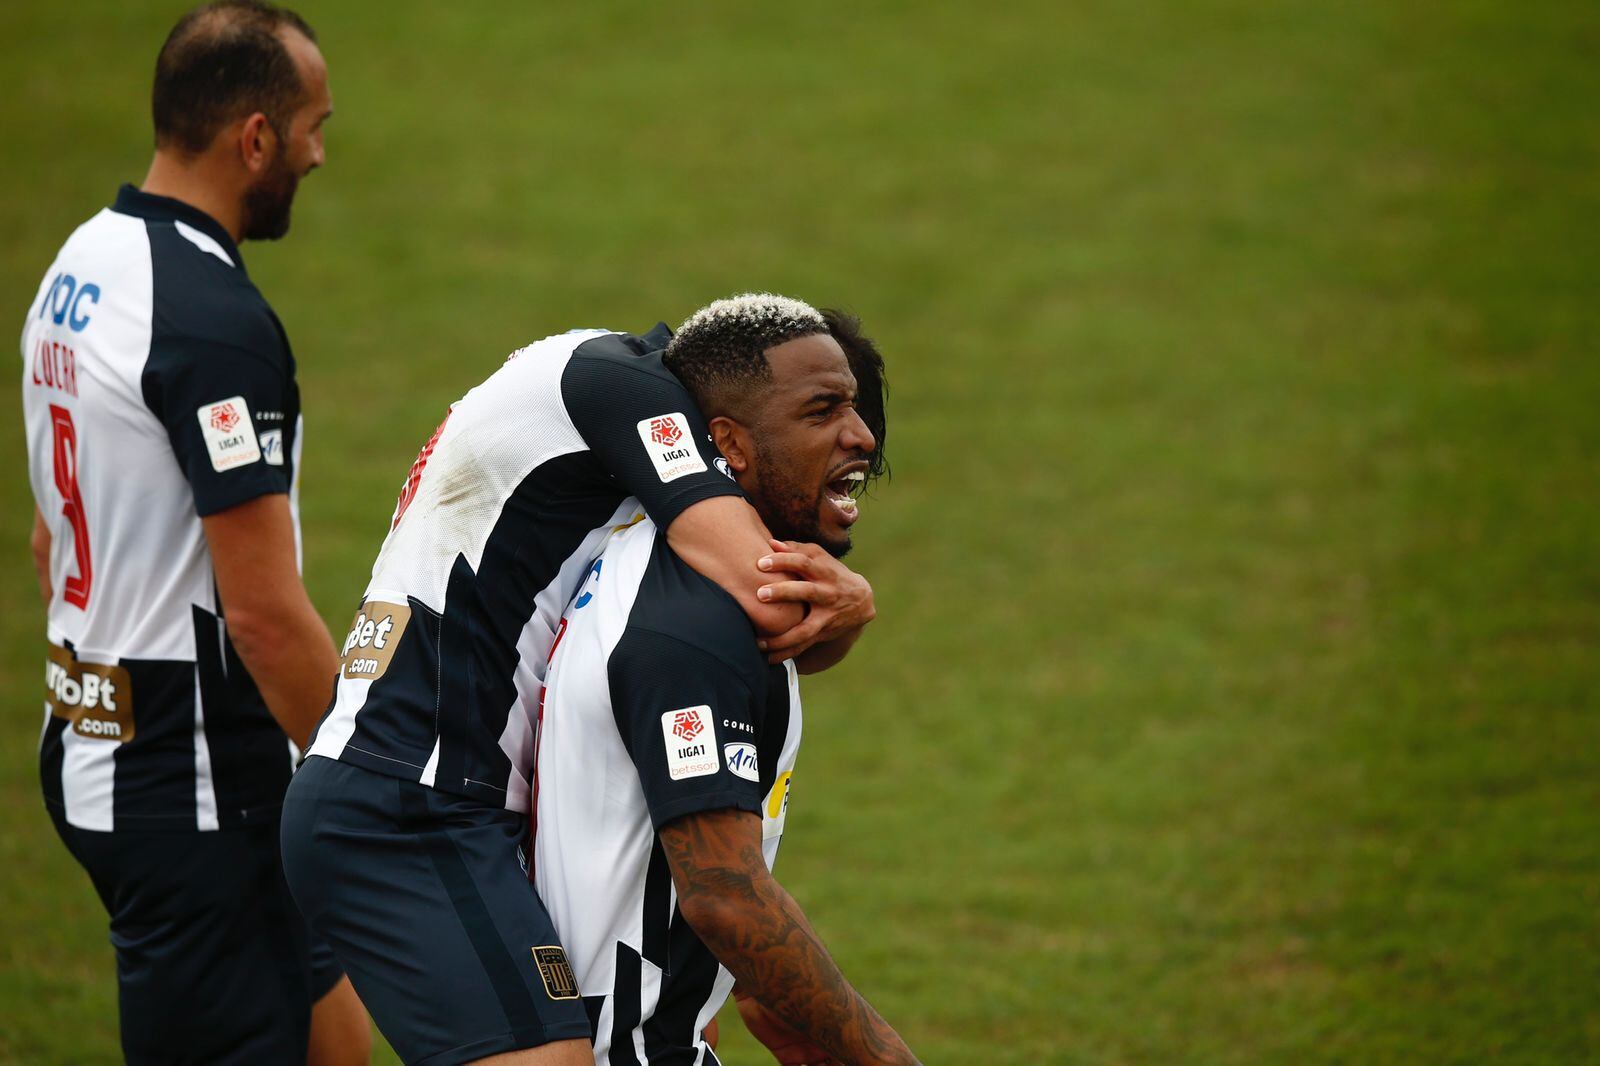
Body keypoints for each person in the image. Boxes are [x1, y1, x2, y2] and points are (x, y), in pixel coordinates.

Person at [280, 298, 880, 1065]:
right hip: (408, 803)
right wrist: (853, 599)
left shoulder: (599, 418)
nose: (858, 438)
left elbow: (775, 642)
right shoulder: (624, 384)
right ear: (722, 429)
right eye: (820, 410)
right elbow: (771, 594)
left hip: (434, 796)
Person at [20, 2, 368, 1062]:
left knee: (336, 1042)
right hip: (194, 785)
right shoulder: (213, 325)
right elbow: (261, 616)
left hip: (91, 731)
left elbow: (48, 541)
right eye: (310, 126)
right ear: (254, 137)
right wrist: (368, 777)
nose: (317, 153)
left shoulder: (82, 265)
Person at [527, 295, 918, 1064]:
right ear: (729, 445)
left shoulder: (650, 561)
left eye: (856, 408)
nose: (862, 437)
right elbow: (725, 897)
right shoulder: (694, 623)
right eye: (822, 411)